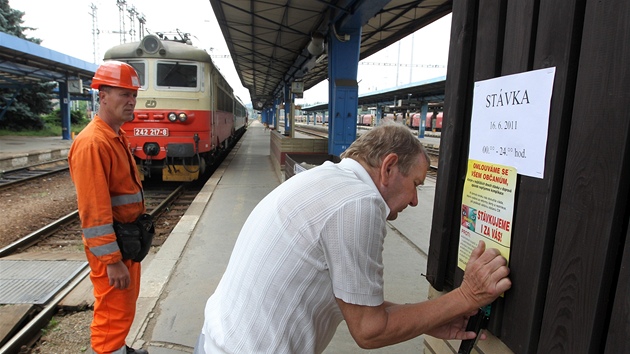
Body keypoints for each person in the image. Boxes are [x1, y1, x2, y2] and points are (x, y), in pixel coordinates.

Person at [193, 123, 511, 353]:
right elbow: (369, 331)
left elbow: (356, 302)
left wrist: (427, 320)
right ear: (389, 167)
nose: (415, 200)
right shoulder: (358, 203)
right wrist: (468, 296)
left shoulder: (325, 177)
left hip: (216, 340)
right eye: (416, 183)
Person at [68, 61, 150, 354]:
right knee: (112, 312)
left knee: (122, 307)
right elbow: (94, 212)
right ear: (102, 96)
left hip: (125, 241)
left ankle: (119, 348)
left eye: (134, 95)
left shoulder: (115, 135)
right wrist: (111, 260)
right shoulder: (93, 143)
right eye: (123, 94)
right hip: (113, 248)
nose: (131, 101)